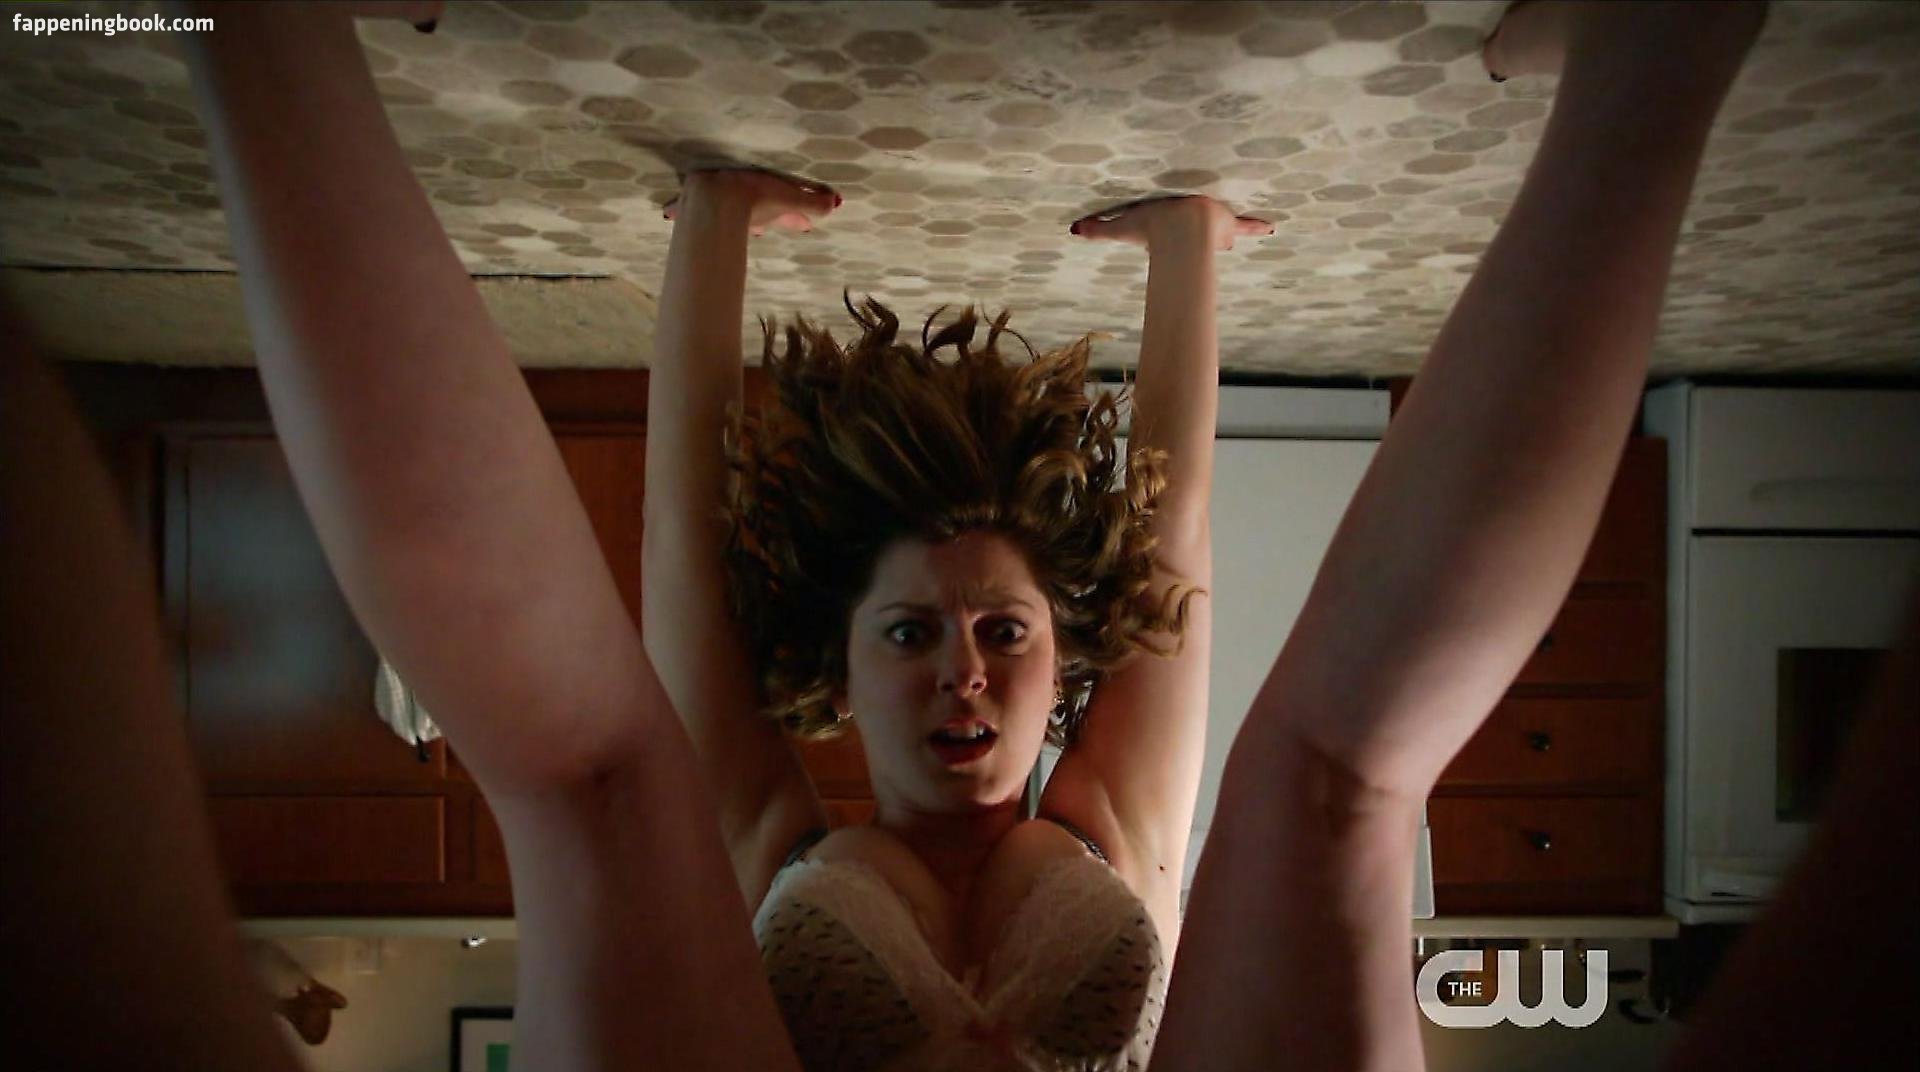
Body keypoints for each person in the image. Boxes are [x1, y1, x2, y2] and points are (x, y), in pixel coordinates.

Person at [7, 2, 1915, 1071]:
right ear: (835, 676)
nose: (965, 676)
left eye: (1003, 637)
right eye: (912, 637)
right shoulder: (803, 834)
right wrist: (713, 233)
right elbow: (687, 555)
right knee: (1340, 781)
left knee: (586, 785)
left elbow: (1165, 544)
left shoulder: (1083, 823)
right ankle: (1663, 46)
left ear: (1065, 671)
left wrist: (1183, 250)